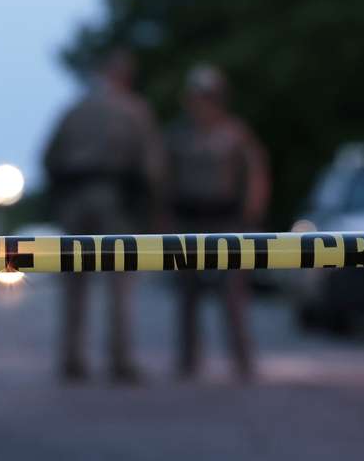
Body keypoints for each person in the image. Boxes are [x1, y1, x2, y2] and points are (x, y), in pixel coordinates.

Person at [43, 50, 165, 384]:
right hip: (116, 199)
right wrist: (152, 211)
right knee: (120, 283)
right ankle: (120, 360)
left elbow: (49, 156)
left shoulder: (74, 110)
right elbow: (151, 167)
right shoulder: (135, 111)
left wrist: (60, 200)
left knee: (74, 283)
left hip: (75, 198)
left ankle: (71, 358)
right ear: (126, 76)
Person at [165, 63, 270, 381]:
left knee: (233, 296)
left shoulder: (235, 134)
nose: (203, 103)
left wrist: (251, 216)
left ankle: (242, 362)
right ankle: (187, 362)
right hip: (189, 221)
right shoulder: (178, 136)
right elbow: (164, 178)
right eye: (198, 96)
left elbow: (255, 175)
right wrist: (164, 219)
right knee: (187, 296)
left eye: (209, 96)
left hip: (227, 222)